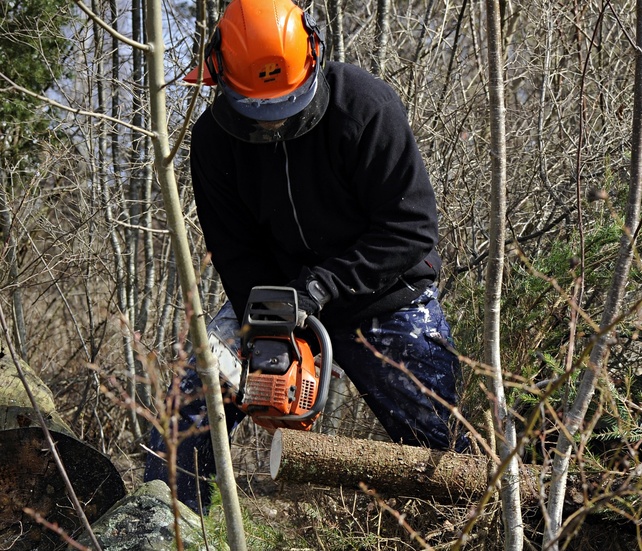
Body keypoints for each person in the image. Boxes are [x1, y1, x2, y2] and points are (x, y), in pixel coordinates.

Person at [144, 0, 468, 511]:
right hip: (275, 292)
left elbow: (410, 229)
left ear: (314, 58)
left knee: (444, 441)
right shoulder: (213, 140)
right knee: (188, 408)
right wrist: (270, 320)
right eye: (257, 111)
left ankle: (471, 525)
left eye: (286, 106)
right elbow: (234, 248)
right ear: (220, 79)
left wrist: (322, 286)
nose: (272, 124)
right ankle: (171, 529)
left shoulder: (364, 106)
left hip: (382, 292)